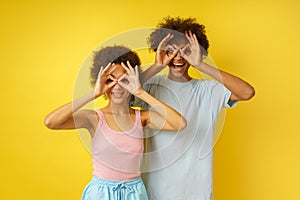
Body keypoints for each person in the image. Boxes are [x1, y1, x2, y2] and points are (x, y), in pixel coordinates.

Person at [44, 45, 187, 200]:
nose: (117, 86)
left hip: (134, 193)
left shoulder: (143, 117)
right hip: (100, 194)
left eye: (124, 80)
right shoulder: (94, 118)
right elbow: (51, 122)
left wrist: (140, 92)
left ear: (133, 81)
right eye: (111, 80)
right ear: (102, 81)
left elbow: (180, 123)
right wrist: (94, 94)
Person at [136, 16, 255, 199]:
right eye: (171, 51)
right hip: (157, 189)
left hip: (196, 189)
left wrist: (201, 65)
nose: (178, 57)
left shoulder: (208, 90)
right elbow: (124, 93)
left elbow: (247, 92)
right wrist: (157, 66)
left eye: (185, 51)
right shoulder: (150, 87)